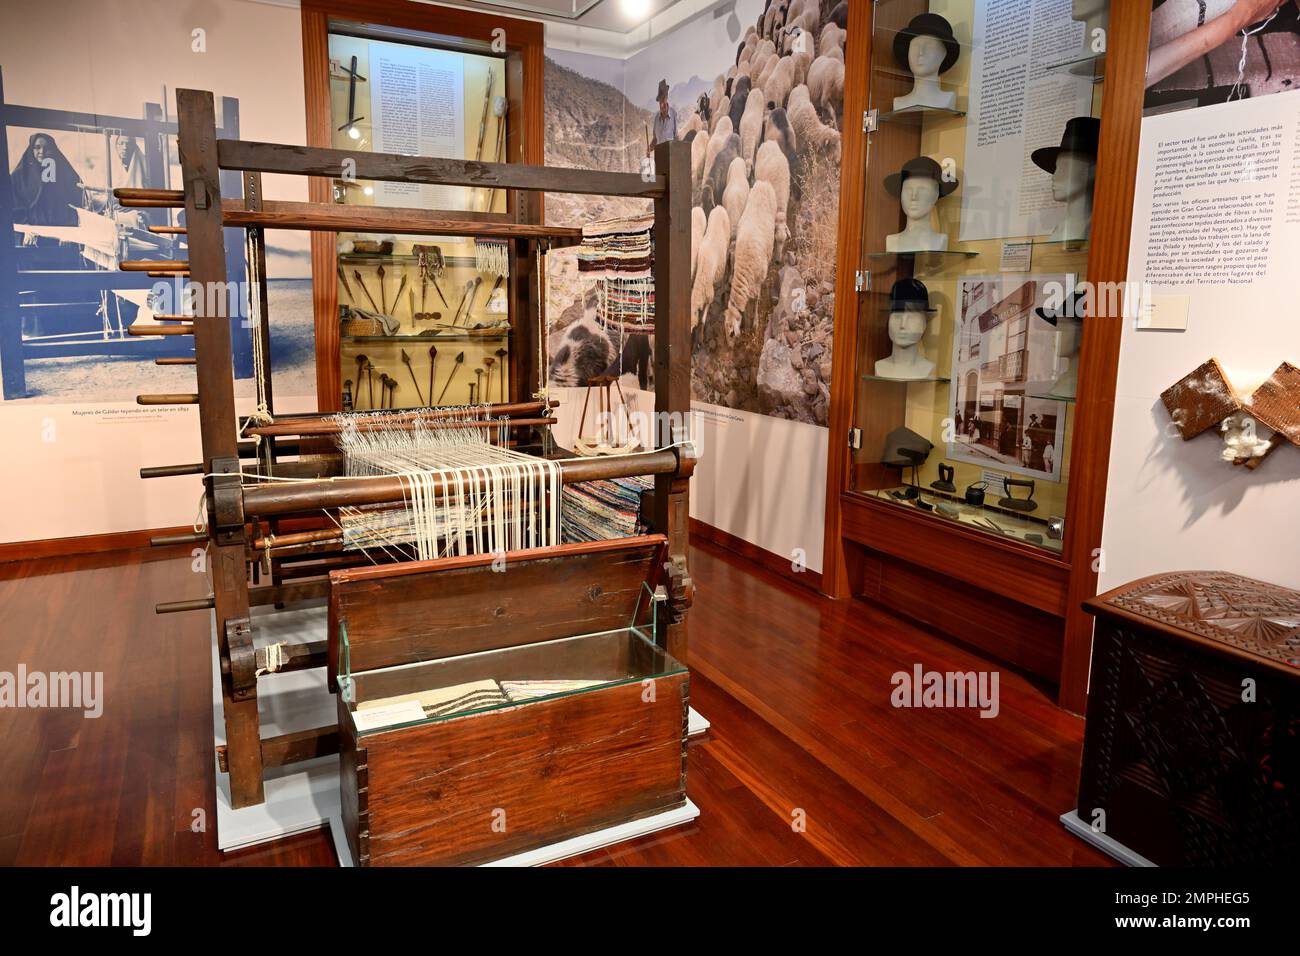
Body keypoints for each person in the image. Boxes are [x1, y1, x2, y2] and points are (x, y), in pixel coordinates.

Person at [11, 132, 85, 244]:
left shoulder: (64, 174)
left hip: (61, 237)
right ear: (31, 150)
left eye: (46, 148)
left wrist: (69, 231)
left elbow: (76, 203)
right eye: (37, 147)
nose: (42, 152)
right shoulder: (19, 176)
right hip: (30, 236)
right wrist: (26, 229)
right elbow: (14, 207)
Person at [650, 79, 676, 153]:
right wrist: (650, 148)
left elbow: (677, 139)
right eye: (660, 101)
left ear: (667, 97)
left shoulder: (673, 114)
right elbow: (655, 139)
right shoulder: (656, 118)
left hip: (670, 159)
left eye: (663, 99)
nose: (661, 105)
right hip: (659, 158)